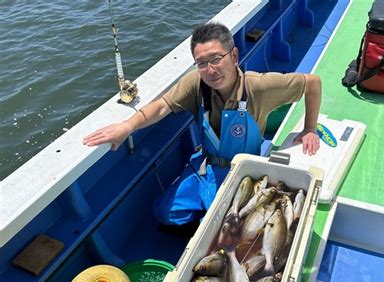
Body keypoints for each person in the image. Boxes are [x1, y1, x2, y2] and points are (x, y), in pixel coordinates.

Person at [83, 22, 322, 226]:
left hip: (245, 173)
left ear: (234, 56)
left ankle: (213, 216)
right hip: (206, 167)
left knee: (227, 223)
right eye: (202, 63)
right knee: (165, 214)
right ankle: (209, 211)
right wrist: (128, 126)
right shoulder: (195, 84)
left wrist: (309, 129)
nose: (210, 70)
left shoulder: (259, 87)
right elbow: (163, 105)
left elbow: (312, 83)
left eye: (217, 59)